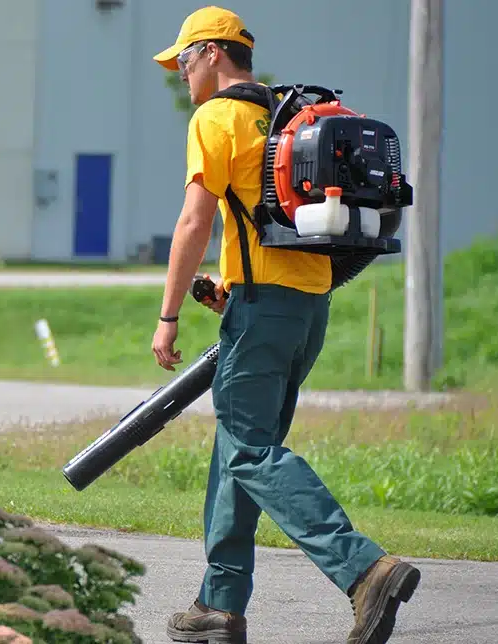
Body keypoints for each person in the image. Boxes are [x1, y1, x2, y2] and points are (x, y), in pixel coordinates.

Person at [148, 7, 421, 644]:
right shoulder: (286, 117)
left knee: (249, 447)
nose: (181, 74)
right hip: (304, 308)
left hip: (264, 311)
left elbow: (195, 222)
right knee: (241, 451)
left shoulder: (216, 117)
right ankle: (217, 605)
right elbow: (267, 223)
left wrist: (166, 317)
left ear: (214, 54)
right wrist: (231, 289)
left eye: (184, 60)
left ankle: (364, 570)